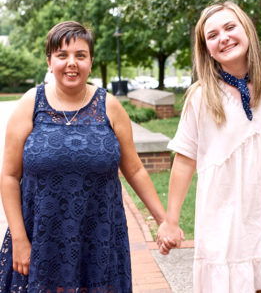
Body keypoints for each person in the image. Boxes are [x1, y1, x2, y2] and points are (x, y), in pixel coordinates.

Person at [0, 21, 168, 292]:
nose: (71, 63)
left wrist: (165, 221)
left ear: (90, 61)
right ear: (49, 61)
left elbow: (135, 170)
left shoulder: (109, 106)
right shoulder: (30, 104)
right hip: (41, 238)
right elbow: (8, 176)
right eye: (62, 55)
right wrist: (19, 239)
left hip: (99, 238)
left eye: (80, 55)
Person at [156, 0, 261, 293]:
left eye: (230, 27)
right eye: (212, 35)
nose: (223, 38)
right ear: (205, 48)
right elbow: (184, 161)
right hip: (226, 221)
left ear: (246, 29)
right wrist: (170, 221)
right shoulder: (200, 97)